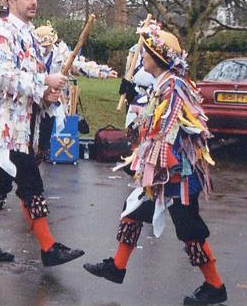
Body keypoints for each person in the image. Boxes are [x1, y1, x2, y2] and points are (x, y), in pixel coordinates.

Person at [83, 20, 227, 305]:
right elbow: (152, 124)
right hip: (163, 174)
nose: (142, 56)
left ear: (158, 59)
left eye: (146, 52)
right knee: (133, 208)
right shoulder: (164, 85)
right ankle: (118, 267)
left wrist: (143, 156)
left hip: (176, 175)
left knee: (189, 229)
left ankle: (215, 286)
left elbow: (167, 132)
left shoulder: (173, 88)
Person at [0, 0, 84, 266]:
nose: (34, 2)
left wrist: (46, 95)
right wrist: (44, 80)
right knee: (30, 181)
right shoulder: (1, 33)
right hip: (6, 126)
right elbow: (4, 77)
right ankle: (48, 248)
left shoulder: (30, 36)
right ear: (11, 1)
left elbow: (28, 81)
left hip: (24, 125)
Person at [34, 22, 118, 161]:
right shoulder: (32, 54)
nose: (45, 49)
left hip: (52, 101)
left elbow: (80, 65)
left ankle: (42, 152)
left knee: (45, 135)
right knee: (29, 136)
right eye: (43, 46)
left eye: (48, 45)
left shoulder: (60, 55)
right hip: (35, 97)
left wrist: (103, 72)